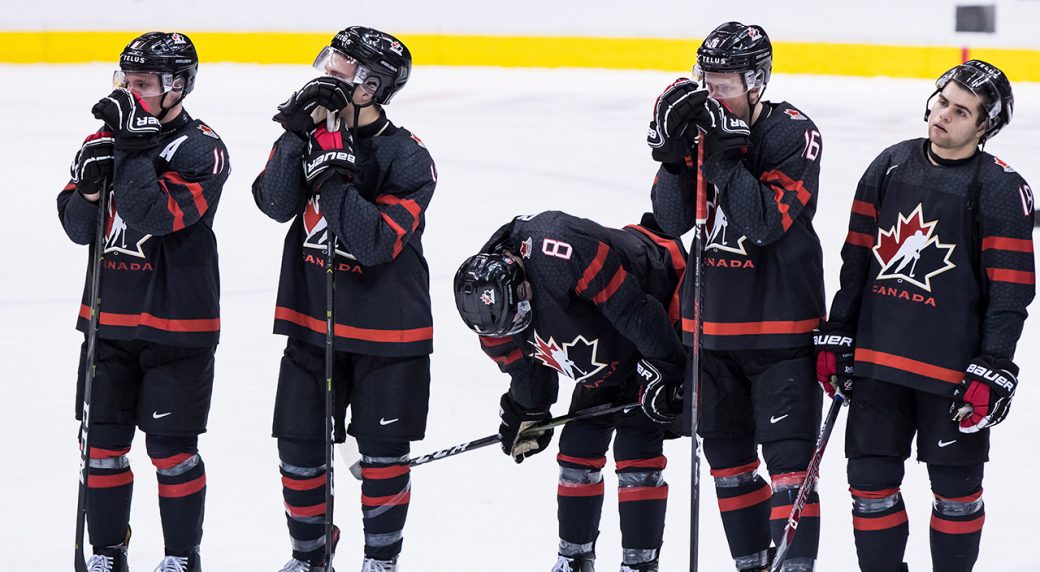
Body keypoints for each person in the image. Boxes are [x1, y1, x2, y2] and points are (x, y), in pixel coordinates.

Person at [817, 59, 1034, 572]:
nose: (943, 115)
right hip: (877, 364)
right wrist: (838, 332)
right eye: (942, 101)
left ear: (985, 126)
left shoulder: (1000, 187)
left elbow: (1011, 290)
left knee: (957, 494)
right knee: (869, 487)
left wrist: (995, 365)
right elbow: (856, 261)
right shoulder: (890, 164)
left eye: (961, 111)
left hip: (951, 375)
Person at [252, 26, 436, 572]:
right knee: (299, 450)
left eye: (341, 69)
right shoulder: (308, 135)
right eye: (328, 62)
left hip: (389, 334)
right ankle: (309, 555)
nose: (326, 75)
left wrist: (333, 174)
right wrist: (293, 134)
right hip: (313, 325)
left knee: (382, 460)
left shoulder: (408, 157)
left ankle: (380, 560)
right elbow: (273, 204)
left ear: (371, 86)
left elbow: (375, 242)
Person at [647, 22, 827, 571]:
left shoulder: (792, 132)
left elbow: (765, 222)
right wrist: (674, 158)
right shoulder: (702, 127)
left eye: (725, 82)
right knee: (728, 465)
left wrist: (723, 157)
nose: (713, 90)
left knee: (791, 470)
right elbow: (672, 220)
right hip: (712, 330)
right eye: (708, 78)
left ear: (758, 81)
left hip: (782, 329)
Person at [57, 31, 229, 572]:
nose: (131, 94)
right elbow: (78, 228)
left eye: (145, 84)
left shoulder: (202, 148)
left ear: (178, 86)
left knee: (171, 453)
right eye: (126, 82)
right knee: (102, 448)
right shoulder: (104, 137)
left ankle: (182, 556)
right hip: (108, 322)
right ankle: (107, 552)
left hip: (178, 326)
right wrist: (86, 188)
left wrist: (130, 147)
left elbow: (151, 214)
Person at [453, 211, 687, 572]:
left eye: (520, 316)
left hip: (659, 309)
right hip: (607, 356)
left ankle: (640, 565)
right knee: (577, 448)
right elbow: (529, 373)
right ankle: (573, 559)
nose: (518, 327)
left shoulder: (560, 249)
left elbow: (636, 311)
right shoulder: (491, 320)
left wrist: (669, 368)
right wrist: (527, 413)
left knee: (636, 448)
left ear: (521, 283)